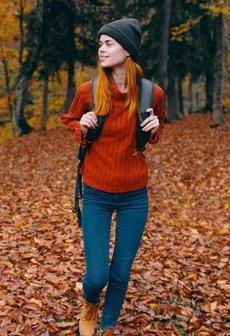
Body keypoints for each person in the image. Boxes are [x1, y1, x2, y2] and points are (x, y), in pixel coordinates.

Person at [59, 18, 166, 336]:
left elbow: (158, 123)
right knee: (97, 276)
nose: (101, 49)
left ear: (127, 51)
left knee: (120, 272)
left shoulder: (151, 92)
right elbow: (69, 119)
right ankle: (90, 304)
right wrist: (83, 127)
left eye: (108, 43)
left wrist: (156, 129)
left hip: (135, 194)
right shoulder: (88, 91)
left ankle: (106, 326)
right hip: (96, 192)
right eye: (100, 44)